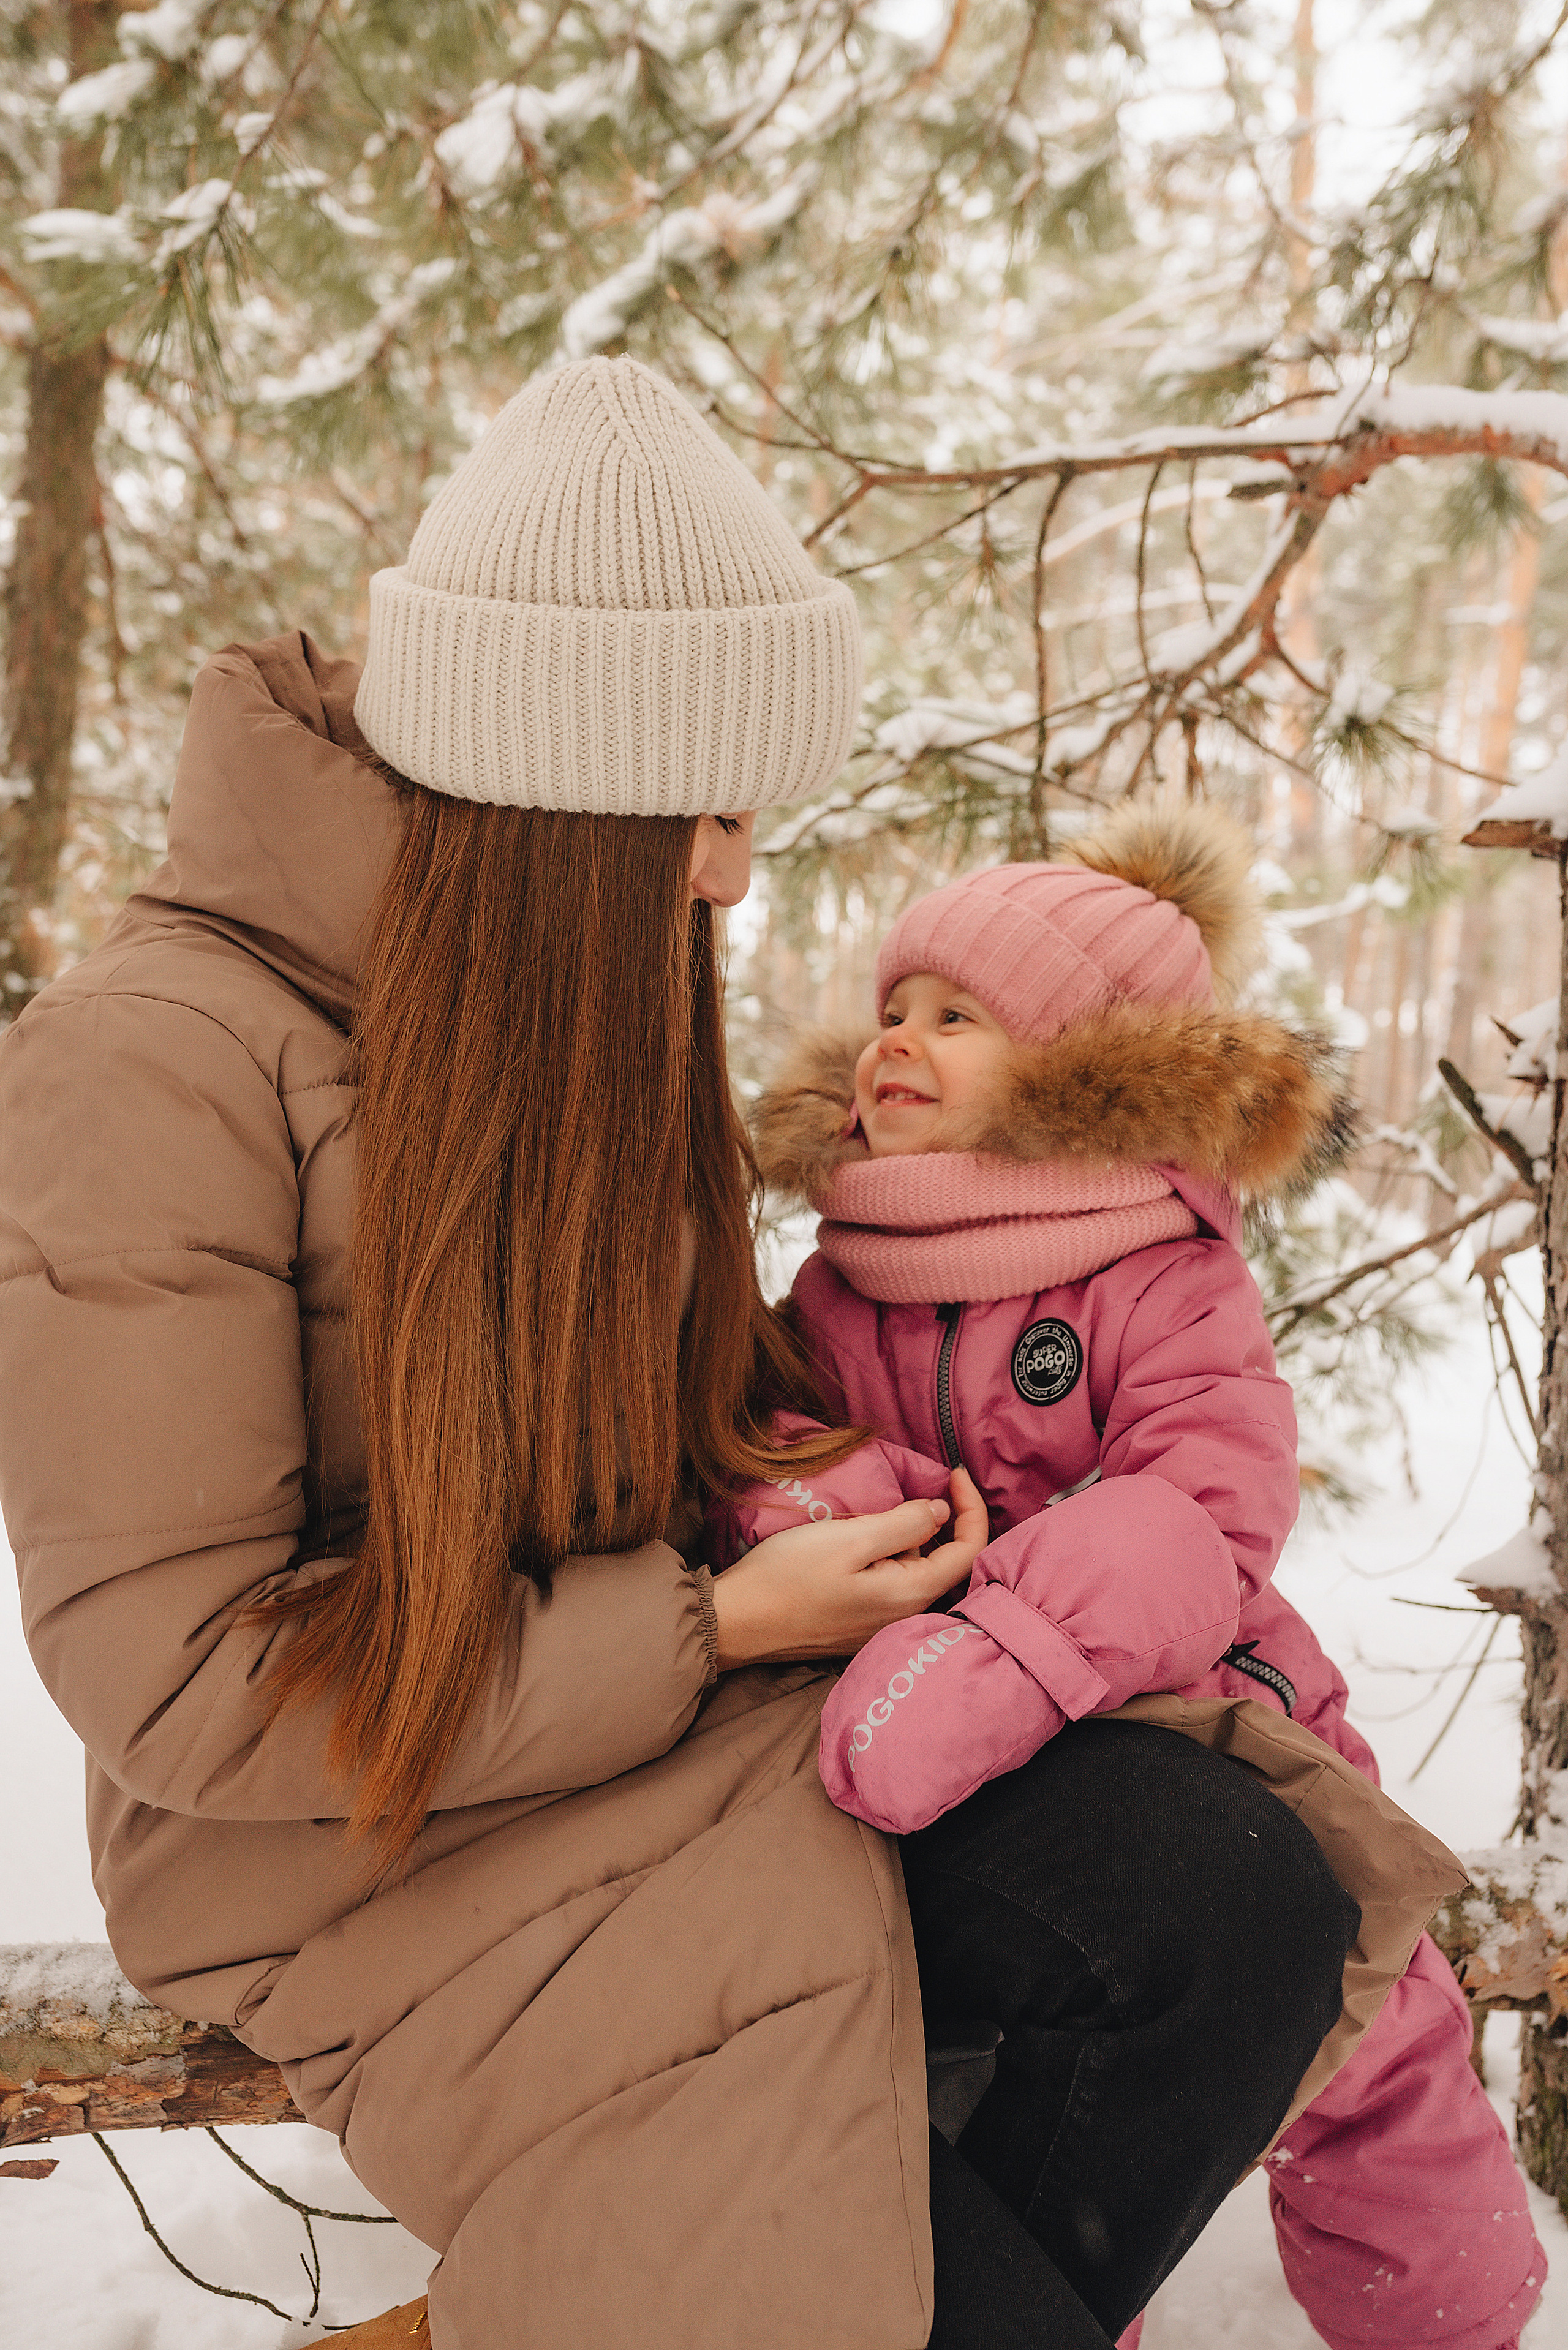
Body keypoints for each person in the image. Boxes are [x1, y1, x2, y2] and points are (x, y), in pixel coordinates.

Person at [0, 359, 1356, 2350]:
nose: (730, 869)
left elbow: (704, 1411)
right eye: (707, 811)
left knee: (1238, 1897)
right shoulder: (152, 1063)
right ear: (566, 798)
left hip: (674, 1723)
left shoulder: (564, 1001)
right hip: (360, 1832)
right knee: (845, 2268)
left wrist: (932, 1478)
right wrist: (710, 1624)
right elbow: (189, 1679)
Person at [736, 800, 1547, 2350]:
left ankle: (1446, 2321)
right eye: (895, 1006)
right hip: (927, 1709)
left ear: (1074, 1070)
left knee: (1367, 2005)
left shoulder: (1157, 1264)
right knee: (1005, 2041)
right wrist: (838, 1513)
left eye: (957, 1017)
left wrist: (993, 1643)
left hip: (1194, 1694)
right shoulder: (841, 1276)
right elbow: (775, 1442)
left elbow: (1200, 1503)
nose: (896, 1038)